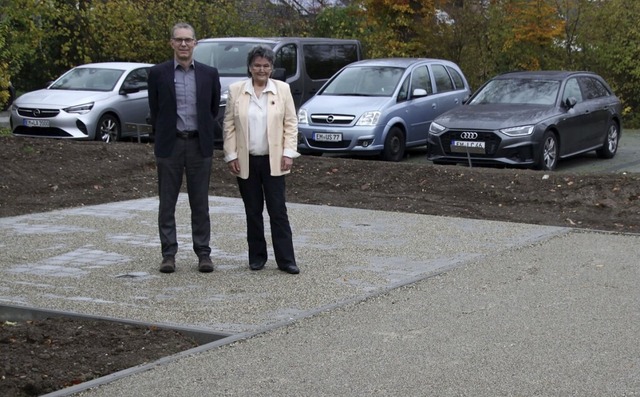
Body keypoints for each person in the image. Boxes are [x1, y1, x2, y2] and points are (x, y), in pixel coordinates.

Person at [147, 22, 221, 274]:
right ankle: (168, 254)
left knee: (200, 203)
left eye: (188, 40)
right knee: (167, 203)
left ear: (195, 43)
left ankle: (203, 254)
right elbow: (155, 110)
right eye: (178, 40)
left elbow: (211, 110)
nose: (183, 44)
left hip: (199, 146)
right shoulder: (158, 73)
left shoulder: (209, 74)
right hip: (170, 145)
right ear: (171, 43)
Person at [223, 46, 300, 275]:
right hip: (246, 160)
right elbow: (228, 125)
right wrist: (231, 155)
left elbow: (291, 123)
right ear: (250, 67)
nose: (261, 70)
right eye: (257, 65)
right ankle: (257, 257)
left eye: (266, 66)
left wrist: (288, 153)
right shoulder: (236, 90)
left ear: (272, 68)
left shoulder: (282, 90)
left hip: (274, 160)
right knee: (253, 211)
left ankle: (286, 260)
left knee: (278, 211)